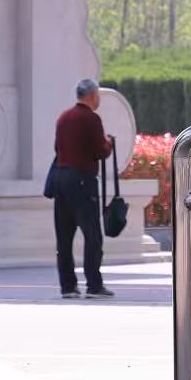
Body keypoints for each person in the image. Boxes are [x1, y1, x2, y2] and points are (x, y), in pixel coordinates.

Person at [52, 79, 115, 299]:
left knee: (64, 237)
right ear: (92, 95)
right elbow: (100, 151)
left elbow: (57, 148)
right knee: (92, 235)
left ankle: (68, 286)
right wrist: (109, 144)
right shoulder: (91, 118)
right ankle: (94, 285)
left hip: (61, 180)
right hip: (82, 181)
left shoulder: (63, 117)